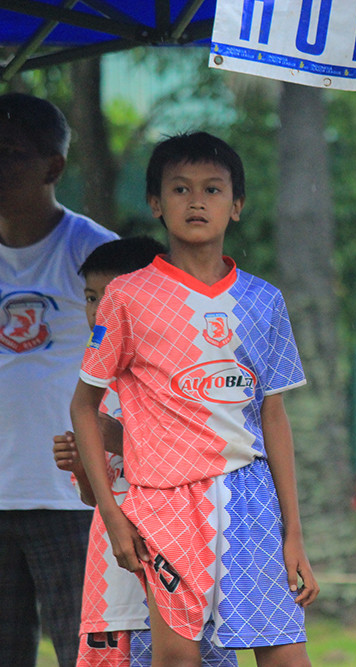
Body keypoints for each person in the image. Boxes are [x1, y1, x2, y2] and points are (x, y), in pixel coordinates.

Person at [69, 132, 318, 667]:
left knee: (286, 656)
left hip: (252, 498)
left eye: (212, 189)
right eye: (180, 189)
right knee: (178, 658)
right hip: (165, 501)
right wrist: (113, 513)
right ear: (156, 203)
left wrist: (294, 533)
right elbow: (83, 406)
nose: (196, 201)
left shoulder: (264, 299)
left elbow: (273, 415)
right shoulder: (127, 296)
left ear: (237, 205)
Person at [53, 236, 239, 667]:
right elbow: (93, 496)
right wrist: (82, 463)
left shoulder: (187, 376)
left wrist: (115, 436)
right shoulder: (94, 388)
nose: (99, 310)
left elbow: (202, 455)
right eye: (91, 298)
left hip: (183, 567)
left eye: (112, 295)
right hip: (115, 578)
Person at [0, 92, 118, 667]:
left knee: (85, 654)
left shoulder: (96, 254)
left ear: (54, 166)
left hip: (73, 497)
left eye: (11, 153)